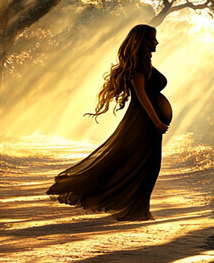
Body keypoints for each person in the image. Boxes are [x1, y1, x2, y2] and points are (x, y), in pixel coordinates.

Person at [46, 24, 172, 221]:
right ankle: (135, 210)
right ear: (143, 42)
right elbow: (141, 96)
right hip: (144, 123)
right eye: (152, 39)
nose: (157, 42)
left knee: (144, 165)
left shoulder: (145, 63)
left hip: (149, 124)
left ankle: (139, 209)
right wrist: (156, 121)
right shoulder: (138, 65)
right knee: (143, 165)